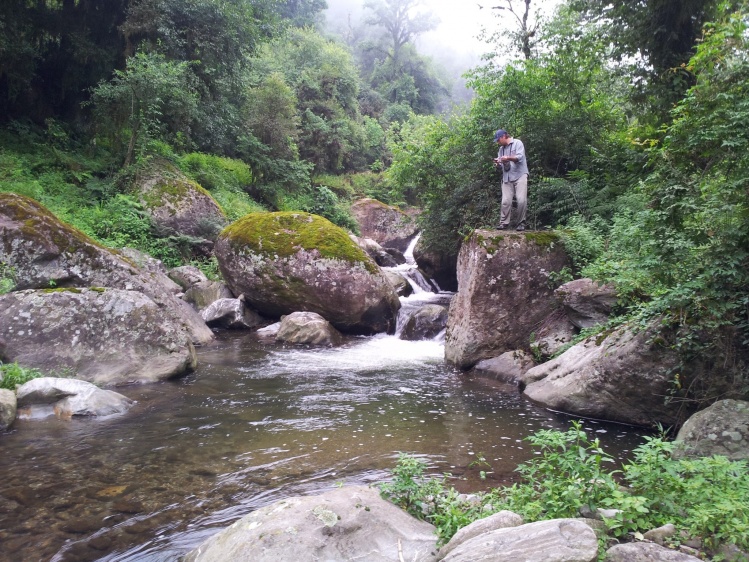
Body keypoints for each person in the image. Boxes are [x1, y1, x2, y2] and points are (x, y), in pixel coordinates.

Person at [493, 129, 529, 231]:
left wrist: (507, 158)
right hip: (507, 177)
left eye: (498, 140)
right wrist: (497, 164)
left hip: (520, 175)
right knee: (505, 201)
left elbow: (520, 158)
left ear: (504, 136)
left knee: (521, 200)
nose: (498, 142)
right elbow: (501, 165)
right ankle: (504, 223)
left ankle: (521, 223)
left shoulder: (518, 143)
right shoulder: (501, 149)